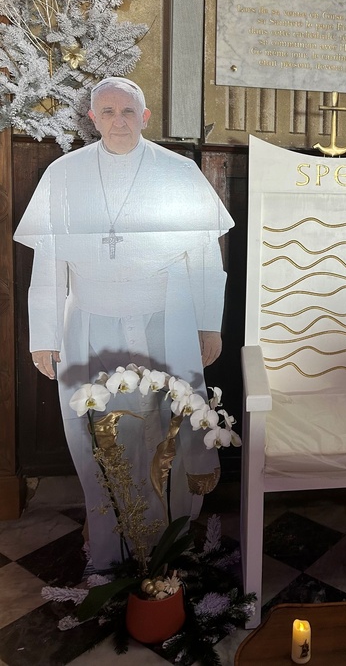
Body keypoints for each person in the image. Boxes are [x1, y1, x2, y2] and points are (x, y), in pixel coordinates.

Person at [14, 77, 234, 569]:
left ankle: (170, 539)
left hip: (166, 318)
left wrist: (208, 324)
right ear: (93, 118)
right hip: (89, 322)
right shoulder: (63, 174)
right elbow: (49, 262)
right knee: (98, 426)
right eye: (108, 112)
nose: (119, 121)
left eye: (128, 111)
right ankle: (111, 540)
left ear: (145, 117)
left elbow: (204, 255)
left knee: (167, 421)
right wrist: (44, 337)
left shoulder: (178, 171)